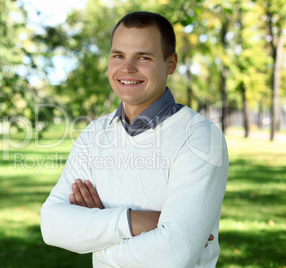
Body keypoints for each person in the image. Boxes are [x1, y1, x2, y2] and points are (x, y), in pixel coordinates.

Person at [41, 11, 228, 267]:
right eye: (118, 55)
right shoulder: (95, 134)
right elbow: (52, 225)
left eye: (143, 57)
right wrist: (133, 222)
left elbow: (174, 254)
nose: (127, 68)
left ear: (170, 63)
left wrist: (98, 245)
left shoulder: (200, 139)